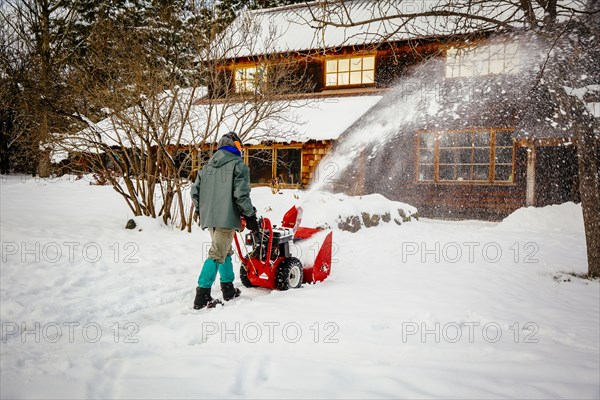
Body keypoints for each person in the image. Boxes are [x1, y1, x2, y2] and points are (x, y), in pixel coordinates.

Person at [190, 131, 260, 309]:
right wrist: (250, 215)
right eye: (240, 147)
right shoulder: (238, 165)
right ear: (236, 146)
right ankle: (202, 294)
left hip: (210, 218)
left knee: (225, 251)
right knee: (216, 254)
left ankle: (228, 288)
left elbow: (194, 192)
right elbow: (241, 194)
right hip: (226, 218)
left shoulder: (207, 167)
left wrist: (202, 211)